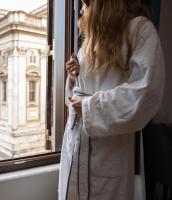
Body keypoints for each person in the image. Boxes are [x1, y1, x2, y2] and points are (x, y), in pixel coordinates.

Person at [58, 0, 165, 199]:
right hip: (75, 145)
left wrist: (91, 108)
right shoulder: (90, 40)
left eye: (85, 4)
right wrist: (75, 76)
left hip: (109, 155)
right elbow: (76, 96)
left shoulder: (140, 31)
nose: (81, 10)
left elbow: (145, 93)